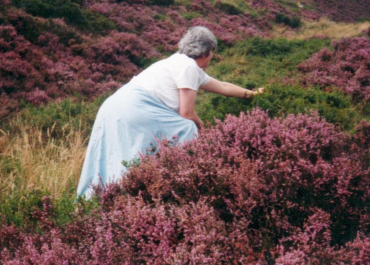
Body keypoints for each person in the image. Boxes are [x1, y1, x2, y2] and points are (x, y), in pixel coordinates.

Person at [76, 26, 263, 198]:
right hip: (135, 106)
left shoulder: (178, 62)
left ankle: (100, 199)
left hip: (114, 105)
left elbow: (222, 86)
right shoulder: (189, 67)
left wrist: (252, 95)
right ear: (206, 52)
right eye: (212, 52)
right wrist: (203, 127)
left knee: (117, 154)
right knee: (187, 128)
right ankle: (183, 186)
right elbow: (187, 114)